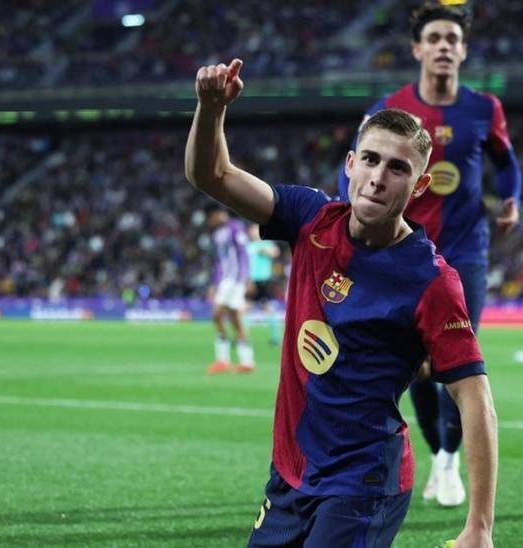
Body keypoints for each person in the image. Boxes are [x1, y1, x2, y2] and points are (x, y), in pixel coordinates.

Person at [185, 58, 497, 548]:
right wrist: (210, 110)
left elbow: (474, 396)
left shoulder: (432, 280)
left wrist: (479, 525)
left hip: (363, 484)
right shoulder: (310, 218)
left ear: (419, 186)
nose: (378, 177)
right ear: (350, 164)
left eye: (397, 168)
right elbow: (213, 175)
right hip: (290, 475)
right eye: (370, 159)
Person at [338, 2, 521, 507]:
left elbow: (507, 163)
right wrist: (350, 216)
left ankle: (447, 460)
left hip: (467, 254)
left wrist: (511, 199)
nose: (444, 46)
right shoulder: (391, 106)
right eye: (435, 38)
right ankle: (440, 451)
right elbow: (353, 169)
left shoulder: (484, 108)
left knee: (458, 361)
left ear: (463, 51)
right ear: (418, 49)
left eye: (452, 39)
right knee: (415, 365)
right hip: (407, 253)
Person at [205, 203, 256, 374]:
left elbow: (244, 254)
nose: (210, 221)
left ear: (218, 214)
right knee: (234, 318)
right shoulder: (217, 234)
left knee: (217, 315)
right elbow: (219, 262)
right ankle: (246, 361)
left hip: (235, 280)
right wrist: (214, 284)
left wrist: (245, 278)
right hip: (225, 281)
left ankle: (223, 360)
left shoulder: (235, 227)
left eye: (211, 217)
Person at [246, 224, 284, 346]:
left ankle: (276, 337)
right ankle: (242, 337)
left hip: (264, 281)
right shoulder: (248, 246)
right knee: (245, 308)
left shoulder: (266, 243)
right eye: (251, 231)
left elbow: (276, 252)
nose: (252, 233)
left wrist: (264, 251)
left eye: (254, 230)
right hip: (251, 281)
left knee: (268, 307)